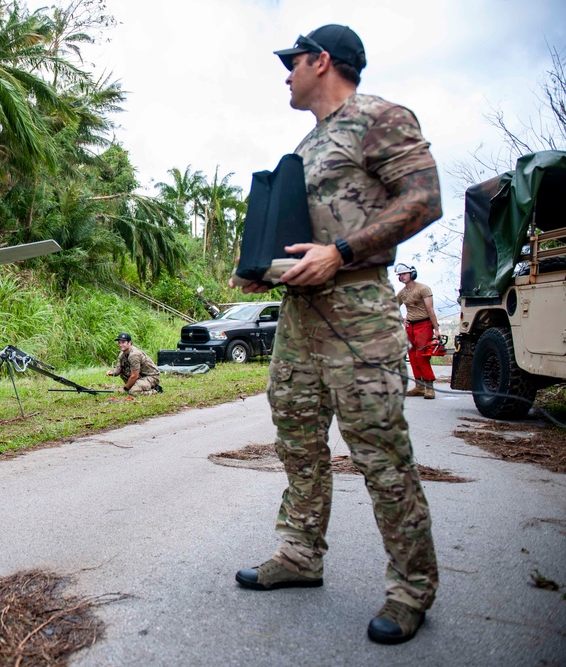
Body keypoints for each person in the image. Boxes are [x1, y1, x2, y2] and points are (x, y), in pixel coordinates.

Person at [229, 25, 442, 645]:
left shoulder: (381, 117)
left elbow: (425, 199)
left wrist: (341, 251)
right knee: (297, 440)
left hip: (359, 315)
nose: (285, 73)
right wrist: (264, 269)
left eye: (291, 61)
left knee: (380, 453)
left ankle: (411, 589)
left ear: (322, 61)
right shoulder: (309, 141)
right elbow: (306, 228)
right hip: (299, 318)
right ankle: (299, 556)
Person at [395, 263, 441, 399]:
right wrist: (402, 320)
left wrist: (436, 329)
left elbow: (430, 310)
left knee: (422, 355)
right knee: (412, 355)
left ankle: (429, 387)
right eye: (400, 275)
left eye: (404, 274)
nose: (402, 277)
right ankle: (419, 386)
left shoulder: (423, 289)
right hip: (410, 326)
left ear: (411, 274)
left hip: (424, 324)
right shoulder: (402, 293)